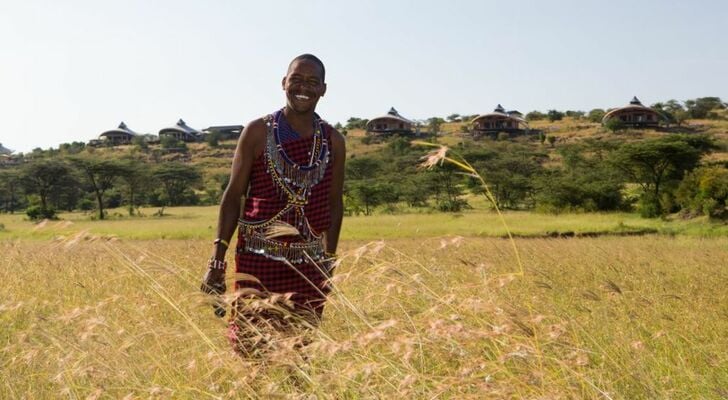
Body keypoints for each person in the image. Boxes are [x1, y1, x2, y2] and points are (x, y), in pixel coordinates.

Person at [201, 54, 345, 354]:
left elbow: (334, 204)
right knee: (251, 347)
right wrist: (217, 260)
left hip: (309, 266)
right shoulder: (257, 132)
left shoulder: (333, 140)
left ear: (323, 89)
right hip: (257, 259)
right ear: (284, 83)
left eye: (312, 82)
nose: (303, 87)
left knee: (301, 353)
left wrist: (329, 262)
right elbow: (233, 197)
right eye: (296, 79)